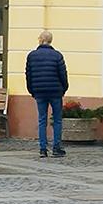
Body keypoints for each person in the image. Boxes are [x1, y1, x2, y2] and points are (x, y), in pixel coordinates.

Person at [25, 30, 69, 158]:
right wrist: (64, 89)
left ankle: (42, 149)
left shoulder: (32, 56)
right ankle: (56, 147)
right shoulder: (57, 55)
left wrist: (31, 90)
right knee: (57, 120)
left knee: (42, 119)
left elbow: (29, 75)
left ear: (40, 39)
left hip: (39, 91)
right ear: (51, 40)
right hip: (56, 91)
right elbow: (63, 75)